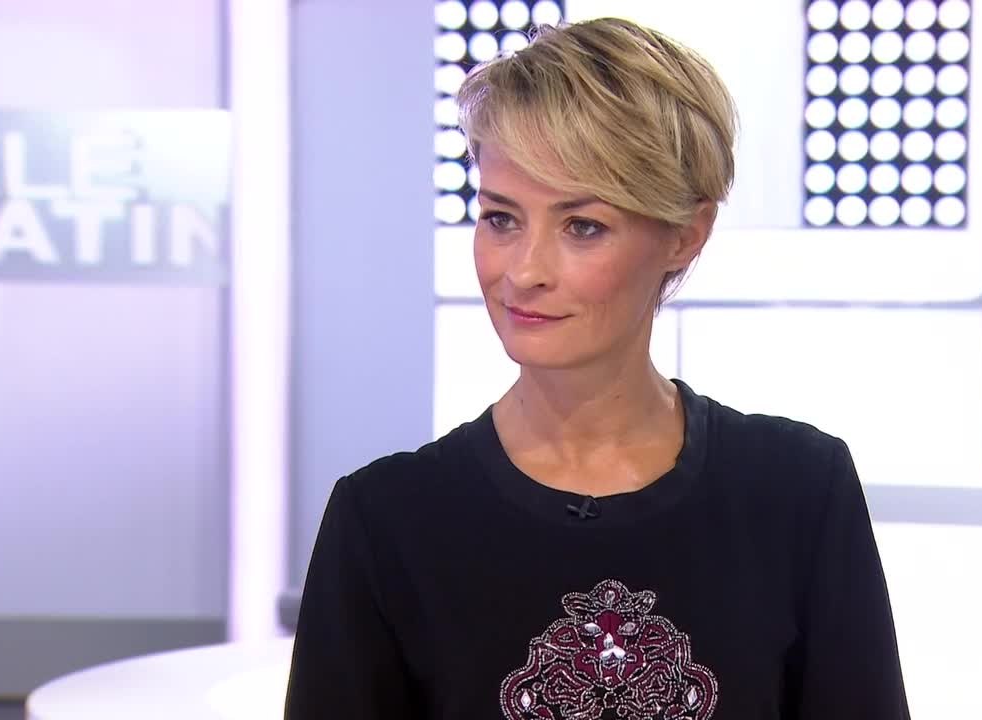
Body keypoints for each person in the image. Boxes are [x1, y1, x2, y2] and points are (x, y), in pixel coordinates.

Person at [284, 16, 909, 720]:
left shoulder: (798, 492)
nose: (524, 271)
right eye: (501, 218)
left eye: (582, 226)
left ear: (685, 235)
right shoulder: (384, 522)